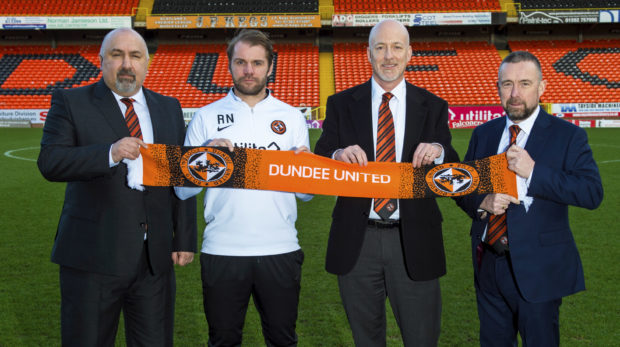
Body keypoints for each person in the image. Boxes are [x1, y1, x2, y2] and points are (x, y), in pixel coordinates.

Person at [37, 27, 197, 346]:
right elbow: (51, 162)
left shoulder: (169, 107)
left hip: (154, 260)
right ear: (101, 60)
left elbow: (181, 174)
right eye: (117, 54)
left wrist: (185, 237)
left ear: (146, 63)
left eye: (135, 56)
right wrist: (109, 153)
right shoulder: (71, 101)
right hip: (92, 257)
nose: (127, 63)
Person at [314, 19, 459, 346]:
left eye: (396, 47)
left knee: (422, 339)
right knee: (366, 340)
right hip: (357, 239)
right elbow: (321, 154)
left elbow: (451, 164)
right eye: (380, 47)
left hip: (415, 239)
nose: (388, 55)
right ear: (368, 54)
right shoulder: (340, 103)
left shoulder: (433, 105)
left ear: (409, 53)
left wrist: (437, 151)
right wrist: (338, 154)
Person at [174, 29, 312, 346]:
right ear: (230, 65)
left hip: (280, 249)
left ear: (270, 67)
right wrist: (204, 158)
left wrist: (305, 171)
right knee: (223, 341)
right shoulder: (205, 118)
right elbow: (183, 192)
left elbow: (305, 195)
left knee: (282, 340)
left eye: (256, 63)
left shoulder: (291, 117)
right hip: (222, 250)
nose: (249, 70)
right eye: (241, 62)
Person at [456, 51, 603, 346]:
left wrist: (534, 172)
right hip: (488, 265)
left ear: (542, 87)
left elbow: (591, 192)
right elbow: (464, 187)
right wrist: (481, 202)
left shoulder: (568, 136)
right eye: (506, 84)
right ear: (497, 87)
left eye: (524, 83)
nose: (514, 93)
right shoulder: (484, 134)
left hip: (540, 269)